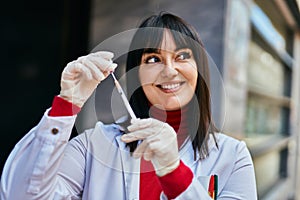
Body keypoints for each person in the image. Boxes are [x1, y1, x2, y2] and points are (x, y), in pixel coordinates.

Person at [0, 12, 257, 199]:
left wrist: (173, 172)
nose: (169, 70)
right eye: (154, 58)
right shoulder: (93, 146)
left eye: (182, 56)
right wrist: (67, 104)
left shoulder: (232, 156)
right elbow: (20, 195)